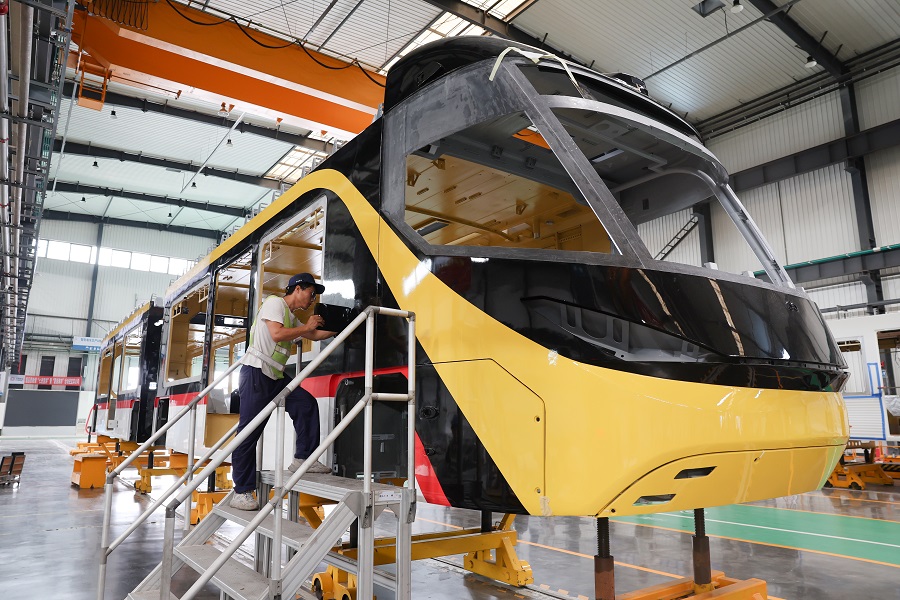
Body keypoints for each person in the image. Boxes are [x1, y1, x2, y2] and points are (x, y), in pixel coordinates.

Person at [230, 272, 336, 511]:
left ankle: (303, 459)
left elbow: (313, 334)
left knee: (306, 403)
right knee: (249, 432)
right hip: (257, 372)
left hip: (274, 375)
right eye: (311, 293)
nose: (312, 299)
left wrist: (341, 328)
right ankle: (242, 491)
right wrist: (307, 326)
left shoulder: (289, 316)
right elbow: (276, 333)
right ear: (297, 289)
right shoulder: (275, 303)